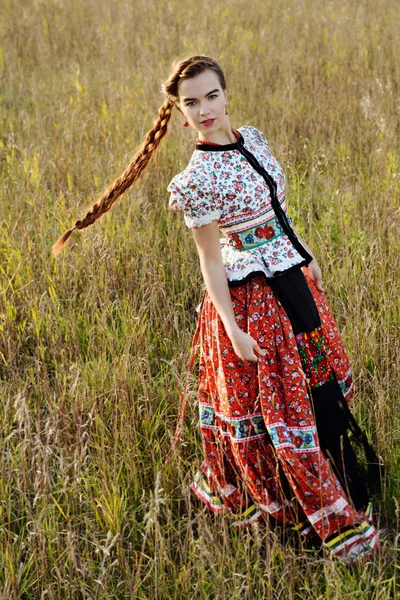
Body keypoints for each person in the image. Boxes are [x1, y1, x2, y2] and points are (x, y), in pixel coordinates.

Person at [52, 55, 381, 565]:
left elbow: (278, 207)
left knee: (317, 388)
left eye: (210, 96)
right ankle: (298, 507)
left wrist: (306, 251)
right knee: (278, 405)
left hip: (292, 278)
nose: (203, 109)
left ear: (226, 95)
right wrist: (230, 328)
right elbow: (209, 259)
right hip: (251, 300)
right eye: (191, 103)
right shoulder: (196, 179)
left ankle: (333, 474)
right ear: (180, 114)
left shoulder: (254, 140)